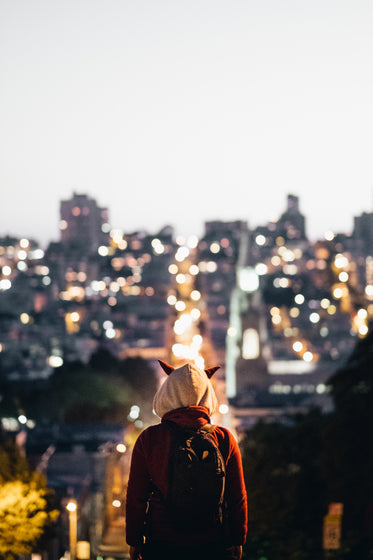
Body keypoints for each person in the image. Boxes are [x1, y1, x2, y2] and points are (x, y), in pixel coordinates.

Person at [125, 360, 248, 560]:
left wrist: (135, 540)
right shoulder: (224, 439)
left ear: (167, 393)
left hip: (163, 543)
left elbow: (136, 497)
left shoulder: (150, 439)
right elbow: (236, 496)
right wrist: (237, 539)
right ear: (207, 394)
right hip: (212, 542)